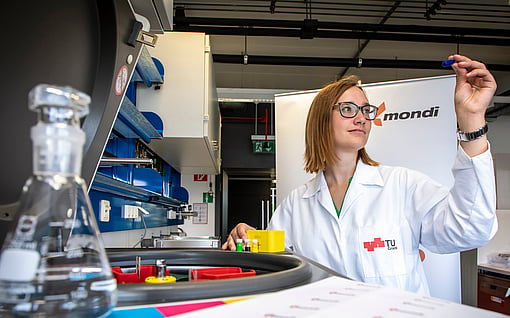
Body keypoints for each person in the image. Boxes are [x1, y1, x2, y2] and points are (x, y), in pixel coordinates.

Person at [222, 54, 498, 295]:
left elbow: (470, 230)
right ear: (321, 120)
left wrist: (472, 120)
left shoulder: (402, 186)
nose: (361, 118)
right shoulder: (297, 204)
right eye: (348, 109)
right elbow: (275, 268)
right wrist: (246, 236)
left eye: (366, 110)